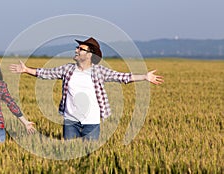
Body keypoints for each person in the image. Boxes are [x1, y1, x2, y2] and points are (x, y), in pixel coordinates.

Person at [9, 37, 163, 140]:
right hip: (70, 121)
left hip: (91, 122)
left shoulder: (99, 71)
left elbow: (122, 77)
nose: (76, 50)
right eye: (77, 48)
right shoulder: (67, 69)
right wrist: (26, 69)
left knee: (89, 156)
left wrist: (145, 76)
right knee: (70, 154)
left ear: (90, 54)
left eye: (80, 49)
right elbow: (46, 73)